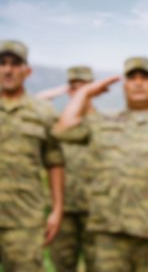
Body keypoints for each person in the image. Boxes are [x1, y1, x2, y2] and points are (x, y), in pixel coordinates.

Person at [53, 57, 148, 272]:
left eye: (144, 77)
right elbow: (62, 130)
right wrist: (86, 92)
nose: (138, 82)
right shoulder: (102, 123)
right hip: (108, 233)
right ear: (124, 85)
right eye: (132, 78)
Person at [0, 40, 64, 271]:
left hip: (24, 219)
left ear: (27, 71)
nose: (8, 69)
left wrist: (57, 210)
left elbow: (55, 162)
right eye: (2, 63)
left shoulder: (43, 111)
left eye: (15, 64)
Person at [46, 66, 97, 272]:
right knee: (62, 265)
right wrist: (53, 93)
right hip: (64, 210)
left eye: (84, 87)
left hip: (96, 211)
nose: (79, 91)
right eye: (74, 87)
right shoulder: (59, 124)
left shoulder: (106, 123)